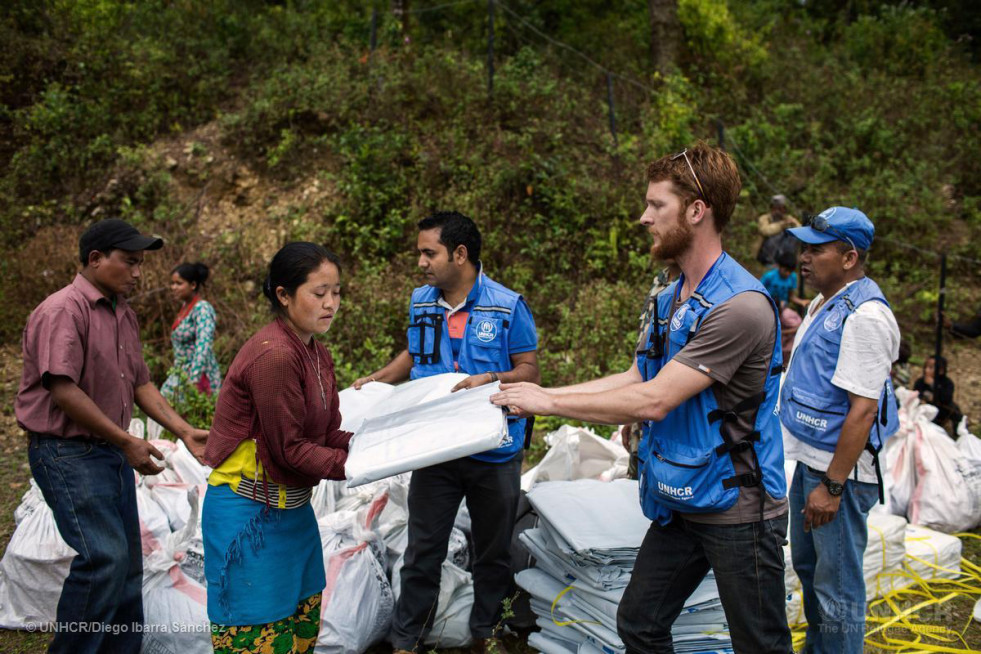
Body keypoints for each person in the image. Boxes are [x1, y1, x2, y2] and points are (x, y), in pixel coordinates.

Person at [492, 144, 792, 653]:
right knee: (640, 623)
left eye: (657, 205)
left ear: (697, 210)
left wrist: (550, 404)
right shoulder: (670, 295)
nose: (643, 217)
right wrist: (539, 393)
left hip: (739, 508)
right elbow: (637, 374)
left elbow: (654, 400)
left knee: (759, 644)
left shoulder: (741, 306)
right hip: (683, 499)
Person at [15, 218, 209, 654]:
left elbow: (140, 383)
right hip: (67, 453)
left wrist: (183, 431)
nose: (138, 273)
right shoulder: (64, 310)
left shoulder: (123, 313)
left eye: (141, 264)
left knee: (127, 567)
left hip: (109, 453)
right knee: (104, 560)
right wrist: (126, 441)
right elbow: (63, 390)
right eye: (130, 262)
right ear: (95, 259)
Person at [352, 211, 540, 654]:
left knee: (492, 553)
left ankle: (486, 635)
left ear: (460, 254)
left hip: (493, 450)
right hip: (434, 451)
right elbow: (412, 352)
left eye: (428, 252)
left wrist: (490, 378)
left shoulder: (507, 305)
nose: (421, 262)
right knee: (423, 551)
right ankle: (406, 640)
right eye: (420, 253)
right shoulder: (422, 300)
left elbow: (529, 369)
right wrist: (380, 378)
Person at [202, 242, 352, 654]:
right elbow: (291, 450)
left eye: (336, 292)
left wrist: (376, 447)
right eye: (318, 293)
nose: (331, 304)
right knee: (257, 637)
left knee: (298, 629)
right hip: (249, 516)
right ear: (284, 296)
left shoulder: (316, 353)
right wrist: (356, 467)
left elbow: (328, 433)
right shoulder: (276, 356)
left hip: (294, 512)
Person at [780, 206, 901, 654]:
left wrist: (831, 487)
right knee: (813, 578)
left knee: (838, 594)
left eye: (817, 249)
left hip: (837, 477)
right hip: (813, 467)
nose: (803, 257)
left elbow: (863, 411)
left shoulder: (866, 317)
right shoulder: (826, 301)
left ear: (849, 257)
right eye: (803, 247)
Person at [624, 261, 680, 479]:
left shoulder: (692, 288)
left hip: (665, 418)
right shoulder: (661, 280)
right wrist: (629, 413)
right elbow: (643, 359)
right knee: (636, 485)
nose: (647, 225)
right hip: (640, 409)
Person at [161, 261, 222, 399]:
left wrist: (194, 379)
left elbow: (203, 345)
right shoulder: (185, 308)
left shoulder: (202, 309)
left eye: (179, 283)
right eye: (173, 283)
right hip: (180, 373)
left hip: (199, 375)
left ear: (193, 285)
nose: (174, 287)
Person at [913, 355, 962, 433]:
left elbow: (946, 398)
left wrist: (933, 385)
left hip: (941, 410)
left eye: (930, 368)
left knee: (955, 409)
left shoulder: (947, 382)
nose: (926, 370)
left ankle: (958, 432)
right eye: (926, 367)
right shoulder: (920, 382)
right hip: (924, 410)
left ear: (941, 370)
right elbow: (916, 393)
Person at [756, 194, 801, 266]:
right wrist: (781, 225)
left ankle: (786, 263)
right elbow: (765, 231)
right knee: (776, 235)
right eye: (775, 208)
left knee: (793, 237)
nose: (777, 211)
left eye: (780, 208)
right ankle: (769, 261)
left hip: (783, 248)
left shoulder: (788, 218)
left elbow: (800, 230)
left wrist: (793, 224)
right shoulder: (764, 218)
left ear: (784, 209)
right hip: (766, 250)